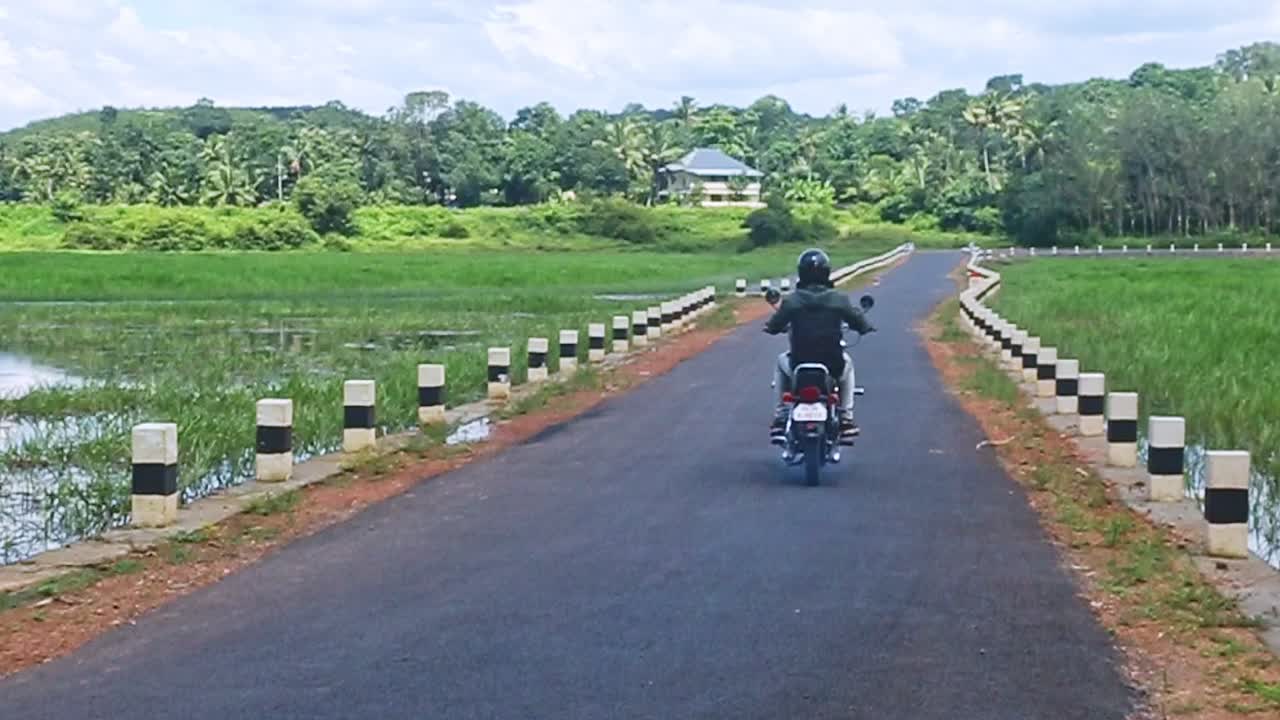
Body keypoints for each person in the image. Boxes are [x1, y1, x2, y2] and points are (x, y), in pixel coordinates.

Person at [763, 248, 875, 443]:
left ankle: (781, 417)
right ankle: (846, 418)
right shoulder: (839, 299)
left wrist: (771, 328)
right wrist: (865, 327)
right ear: (826, 272)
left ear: (801, 272)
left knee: (781, 361)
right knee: (847, 367)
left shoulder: (792, 301)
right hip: (832, 364)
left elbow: (774, 326)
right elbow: (858, 321)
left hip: (799, 364)